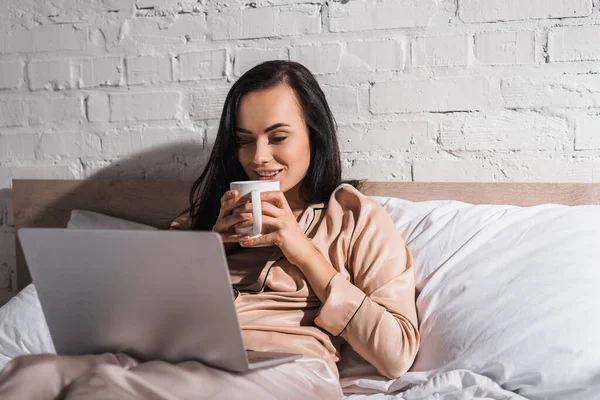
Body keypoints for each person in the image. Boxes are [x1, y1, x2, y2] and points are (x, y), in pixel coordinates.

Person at [0, 60, 419, 399]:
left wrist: (302, 250)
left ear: (314, 134)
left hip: (287, 369)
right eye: (244, 140)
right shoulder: (202, 224)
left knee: (107, 389)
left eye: (278, 137)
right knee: (29, 373)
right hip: (182, 362)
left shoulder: (353, 219)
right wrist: (208, 245)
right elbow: (140, 319)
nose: (258, 158)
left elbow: (396, 353)